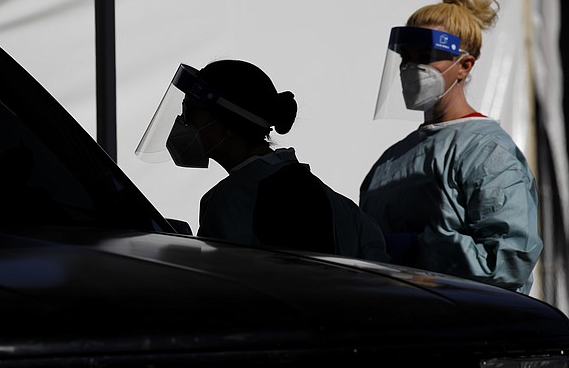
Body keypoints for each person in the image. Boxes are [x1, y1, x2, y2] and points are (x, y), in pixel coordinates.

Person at [359, 0, 542, 294]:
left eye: (426, 57)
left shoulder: (487, 152)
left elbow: (506, 263)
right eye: (407, 57)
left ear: (465, 65)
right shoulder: (391, 160)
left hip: (470, 330)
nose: (411, 68)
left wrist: (421, 248)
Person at [136, 59, 389, 262]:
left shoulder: (230, 200)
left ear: (228, 125)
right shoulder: (339, 205)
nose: (181, 122)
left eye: (190, 112)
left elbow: (226, 289)